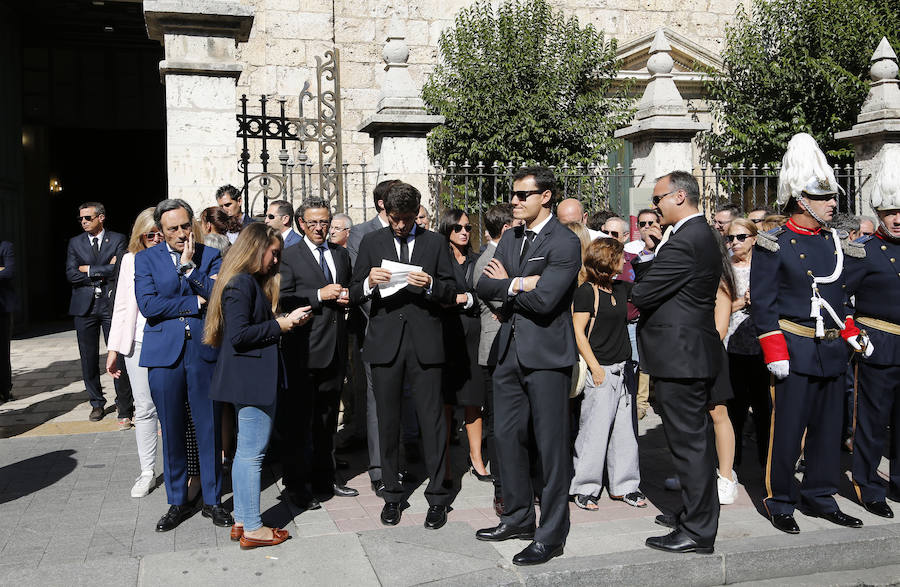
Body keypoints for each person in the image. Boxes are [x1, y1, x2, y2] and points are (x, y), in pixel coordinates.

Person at [750, 132, 866, 534]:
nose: (834, 203)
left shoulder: (836, 242)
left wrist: (850, 331)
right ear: (802, 201)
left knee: (829, 428)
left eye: (833, 197)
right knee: (787, 429)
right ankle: (780, 498)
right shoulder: (773, 243)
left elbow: (841, 298)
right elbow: (763, 304)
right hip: (794, 348)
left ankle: (820, 493)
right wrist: (775, 351)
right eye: (825, 198)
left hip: (832, 350)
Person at [475, 166, 582, 566]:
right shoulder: (511, 236)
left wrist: (511, 285)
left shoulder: (564, 242)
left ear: (546, 197)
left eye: (523, 195)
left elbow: (548, 300)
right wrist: (523, 283)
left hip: (547, 357)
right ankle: (518, 517)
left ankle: (550, 533)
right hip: (509, 353)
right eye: (513, 195)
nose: (514, 202)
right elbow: (481, 283)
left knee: (552, 448)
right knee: (504, 438)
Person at [348, 181, 456, 529]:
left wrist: (433, 287)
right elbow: (352, 292)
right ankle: (392, 494)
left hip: (426, 345)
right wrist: (368, 283)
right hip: (385, 344)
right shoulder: (371, 242)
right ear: (386, 212)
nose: (400, 225)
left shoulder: (435, 243)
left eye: (407, 219)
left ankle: (438, 496)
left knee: (433, 422)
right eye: (395, 218)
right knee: (388, 421)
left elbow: (454, 290)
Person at [631, 170, 722, 554]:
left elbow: (644, 291)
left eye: (658, 199)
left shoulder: (688, 239)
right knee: (690, 443)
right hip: (682, 355)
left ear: (680, 196)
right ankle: (694, 513)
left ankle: (699, 530)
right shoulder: (688, 236)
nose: (654, 206)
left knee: (690, 446)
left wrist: (645, 262)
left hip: (682, 357)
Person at [205, 222, 309, 548]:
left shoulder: (246, 282)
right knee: (252, 456)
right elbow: (238, 336)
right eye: (274, 253)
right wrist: (281, 325)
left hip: (250, 380)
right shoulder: (240, 284)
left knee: (245, 455)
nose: (277, 261)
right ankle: (252, 527)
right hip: (250, 382)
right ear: (256, 248)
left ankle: (241, 520)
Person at [135, 198, 232, 532]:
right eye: (172, 228)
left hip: (203, 353)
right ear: (160, 231)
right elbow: (149, 306)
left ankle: (213, 500)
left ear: (193, 224)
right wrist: (194, 300)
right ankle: (177, 501)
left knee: (208, 428)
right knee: (172, 429)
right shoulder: (145, 260)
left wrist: (192, 270)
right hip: (164, 356)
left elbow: (218, 297)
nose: (180, 233)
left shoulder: (211, 255)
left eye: (184, 226)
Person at [278, 197, 358, 507]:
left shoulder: (339, 253)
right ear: (300, 223)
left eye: (324, 222)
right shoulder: (289, 256)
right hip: (303, 350)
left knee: (327, 420)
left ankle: (326, 478)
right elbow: (283, 299)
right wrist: (317, 295)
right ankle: (298, 486)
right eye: (312, 222)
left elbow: (348, 288)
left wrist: (349, 295)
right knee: (300, 422)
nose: (319, 228)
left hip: (335, 349)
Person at [570, 238, 645, 511]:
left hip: (623, 369)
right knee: (594, 432)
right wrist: (595, 368)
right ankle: (585, 488)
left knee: (625, 433)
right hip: (600, 371)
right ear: (607, 260)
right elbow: (578, 332)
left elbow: (645, 279)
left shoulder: (621, 288)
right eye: (620, 257)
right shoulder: (586, 292)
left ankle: (625, 486)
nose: (624, 261)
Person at [846, 154, 900, 519]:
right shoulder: (863, 252)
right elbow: (836, 297)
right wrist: (852, 332)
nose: (898, 218)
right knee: (872, 420)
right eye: (892, 211)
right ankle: (868, 484)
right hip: (877, 343)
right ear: (880, 213)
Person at [106, 209, 166, 498]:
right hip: (139, 341)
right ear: (139, 236)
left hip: (170, 340)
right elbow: (121, 306)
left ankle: (182, 469)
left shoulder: (176, 256)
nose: (156, 239)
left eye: (160, 233)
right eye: (149, 235)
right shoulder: (130, 260)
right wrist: (114, 348)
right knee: (144, 408)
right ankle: (146, 471)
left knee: (174, 407)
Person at [66, 201, 132, 424]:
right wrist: (102, 269)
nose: (83, 222)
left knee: (118, 354)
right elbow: (71, 274)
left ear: (101, 217)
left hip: (109, 304)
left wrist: (88, 269)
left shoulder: (117, 239)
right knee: (88, 357)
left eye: (88, 218)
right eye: (81, 219)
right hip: (84, 307)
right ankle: (96, 403)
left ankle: (124, 405)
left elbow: (119, 269)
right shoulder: (75, 243)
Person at [473, 203, 519, 516]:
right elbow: (506, 297)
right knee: (498, 424)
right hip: (496, 350)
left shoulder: (508, 256)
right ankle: (502, 490)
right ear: (505, 230)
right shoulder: (490, 260)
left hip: (514, 347)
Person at [437, 209, 487, 481]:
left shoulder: (476, 261)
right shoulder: (438, 260)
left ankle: (477, 459)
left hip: (474, 337)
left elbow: (484, 295)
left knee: (473, 401)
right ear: (447, 230)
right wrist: (463, 299)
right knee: (445, 402)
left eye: (468, 227)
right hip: (446, 336)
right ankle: (443, 464)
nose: (464, 232)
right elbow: (438, 296)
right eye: (457, 228)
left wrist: (464, 299)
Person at [723, 219, 770, 473]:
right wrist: (743, 301)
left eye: (741, 237)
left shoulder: (766, 267)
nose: (735, 243)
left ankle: (767, 462)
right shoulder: (725, 269)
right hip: (733, 346)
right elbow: (717, 309)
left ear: (754, 238)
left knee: (764, 408)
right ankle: (733, 463)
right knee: (735, 408)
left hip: (763, 345)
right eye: (730, 238)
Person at [710, 232, 738, 505]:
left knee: (718, 414)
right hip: (689, 355)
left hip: (709, 354)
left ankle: (727, 476)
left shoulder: (720, 282)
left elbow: (720, 329)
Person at [0, 239, 16, 403]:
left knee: (3, 350)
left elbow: (9, 272)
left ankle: (5, 389)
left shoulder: (5, 246)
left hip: (2, 307)